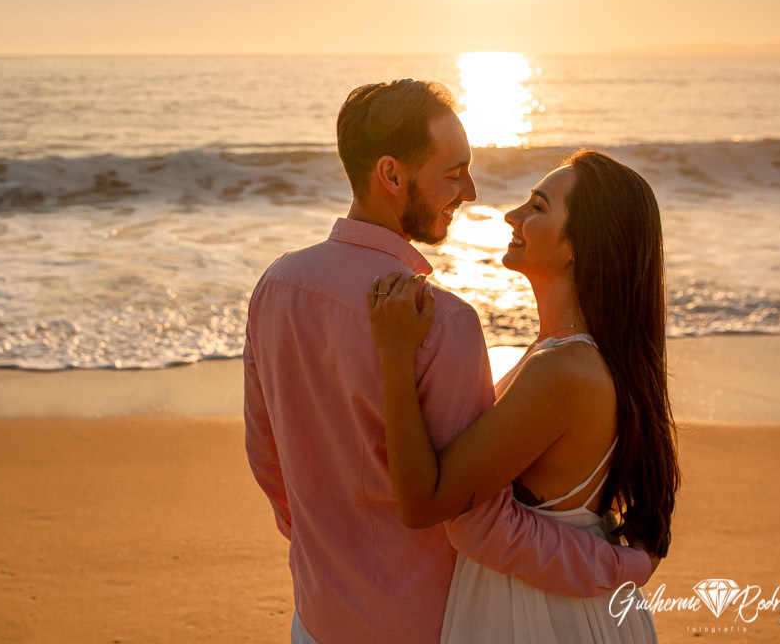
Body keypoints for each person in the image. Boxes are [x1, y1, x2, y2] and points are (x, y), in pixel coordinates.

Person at [244, 80, 654, 644]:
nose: (472, 193)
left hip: (316, 617)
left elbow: (268, 456)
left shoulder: (277, 285)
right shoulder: (442, 321)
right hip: (431, 624)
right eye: (454, 172)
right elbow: (475, 521)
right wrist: (625, 565)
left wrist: (331, 554)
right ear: (392, 175)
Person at [367, 149, 678, 642]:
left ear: (578, 246)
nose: (511, 214)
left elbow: (425, 501)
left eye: (537, 207)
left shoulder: (562, 370)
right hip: (552, 602)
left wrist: (394, 356)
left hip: (534, 615)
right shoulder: (569, 353)